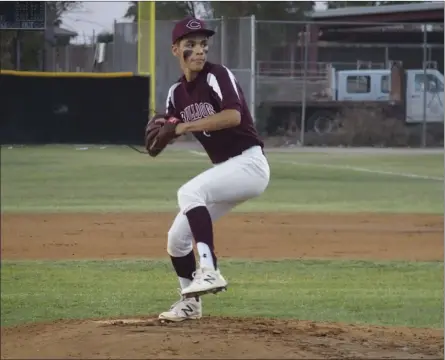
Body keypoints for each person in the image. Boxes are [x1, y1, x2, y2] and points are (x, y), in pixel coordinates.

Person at [157, 17, 270, 322]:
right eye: (190, 45)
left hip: (249, 164)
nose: (199, 51)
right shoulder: (175, 94)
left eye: (203, 44)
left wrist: (184, 127)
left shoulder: (216, 76)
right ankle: (191, 303)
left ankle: (209, 269)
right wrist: (161, 133)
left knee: (190, 191)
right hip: (227, 171)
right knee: (176, 239)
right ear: (175, 50)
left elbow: (233, 116)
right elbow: (168, 127)